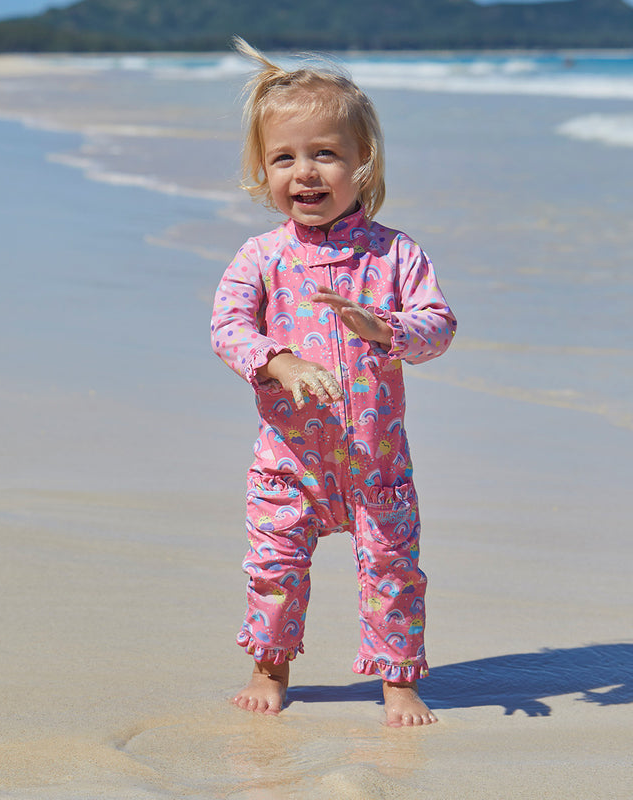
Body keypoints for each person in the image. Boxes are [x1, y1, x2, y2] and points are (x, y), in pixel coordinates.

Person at [211, 38, 456, 726]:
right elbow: (226, 328)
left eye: (325, 154)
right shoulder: (259, 258)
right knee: (275, 571)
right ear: (263, 171)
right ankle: (270, 669)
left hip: (377, 463)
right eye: (285, 157)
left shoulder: (396, 253)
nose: (306, 172)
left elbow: (439, 326)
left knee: (394, 574)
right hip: (289, 464)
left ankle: (400, 680)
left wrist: (387, 330)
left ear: (361, 163)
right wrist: (278, 361)